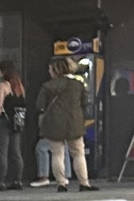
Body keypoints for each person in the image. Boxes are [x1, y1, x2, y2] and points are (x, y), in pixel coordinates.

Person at [36, 55, 95, 191]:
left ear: (56, 70)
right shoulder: (77, 84)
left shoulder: (47, 86)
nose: (49, 72)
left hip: (54, 122)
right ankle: (84, 183)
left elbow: (40, 105)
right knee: (78, 153)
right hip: (74, 122)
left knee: (57, 153)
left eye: (50, 69)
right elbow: (86, 103)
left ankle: (61, 183)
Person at [0, 63, 26, 190]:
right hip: (16, 121)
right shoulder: (19, 87)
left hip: (3, 121)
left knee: (1, 153)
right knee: (16, 152)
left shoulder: (3, 85)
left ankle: (0, 181)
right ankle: (17, 180)